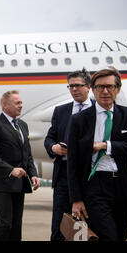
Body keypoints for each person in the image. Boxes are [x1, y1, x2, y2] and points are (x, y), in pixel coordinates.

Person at [67, 67, 127, 241]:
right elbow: (72, 161)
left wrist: (107, 146)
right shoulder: (79, 119)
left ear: (117, 89)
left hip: (122, 184)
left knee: (120, 235)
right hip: (95, 184)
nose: (105, 91)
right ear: (92, 89)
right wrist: (76, 199)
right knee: (107, 236)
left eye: (110, 87)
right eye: (100, 87)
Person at [0, 90, 40, 241]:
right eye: (17, 103)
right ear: (5, 106)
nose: (21, 105)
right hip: (2, 182)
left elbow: (27, 154)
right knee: (4, 223)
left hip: (19, 184)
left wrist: (33, 173)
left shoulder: (23, 125)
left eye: (21, 102)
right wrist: (10, 170)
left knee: (16, 226)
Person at [44, 68, 93, 241]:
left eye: (78, 85)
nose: (74, 89)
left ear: (88, 87)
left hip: (90, 174)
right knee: (59, 226)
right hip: (64, 175)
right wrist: (53, 148)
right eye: (70, 86)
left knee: (85, 226)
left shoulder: (98, 110)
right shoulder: (61, 111)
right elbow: (49, 138)